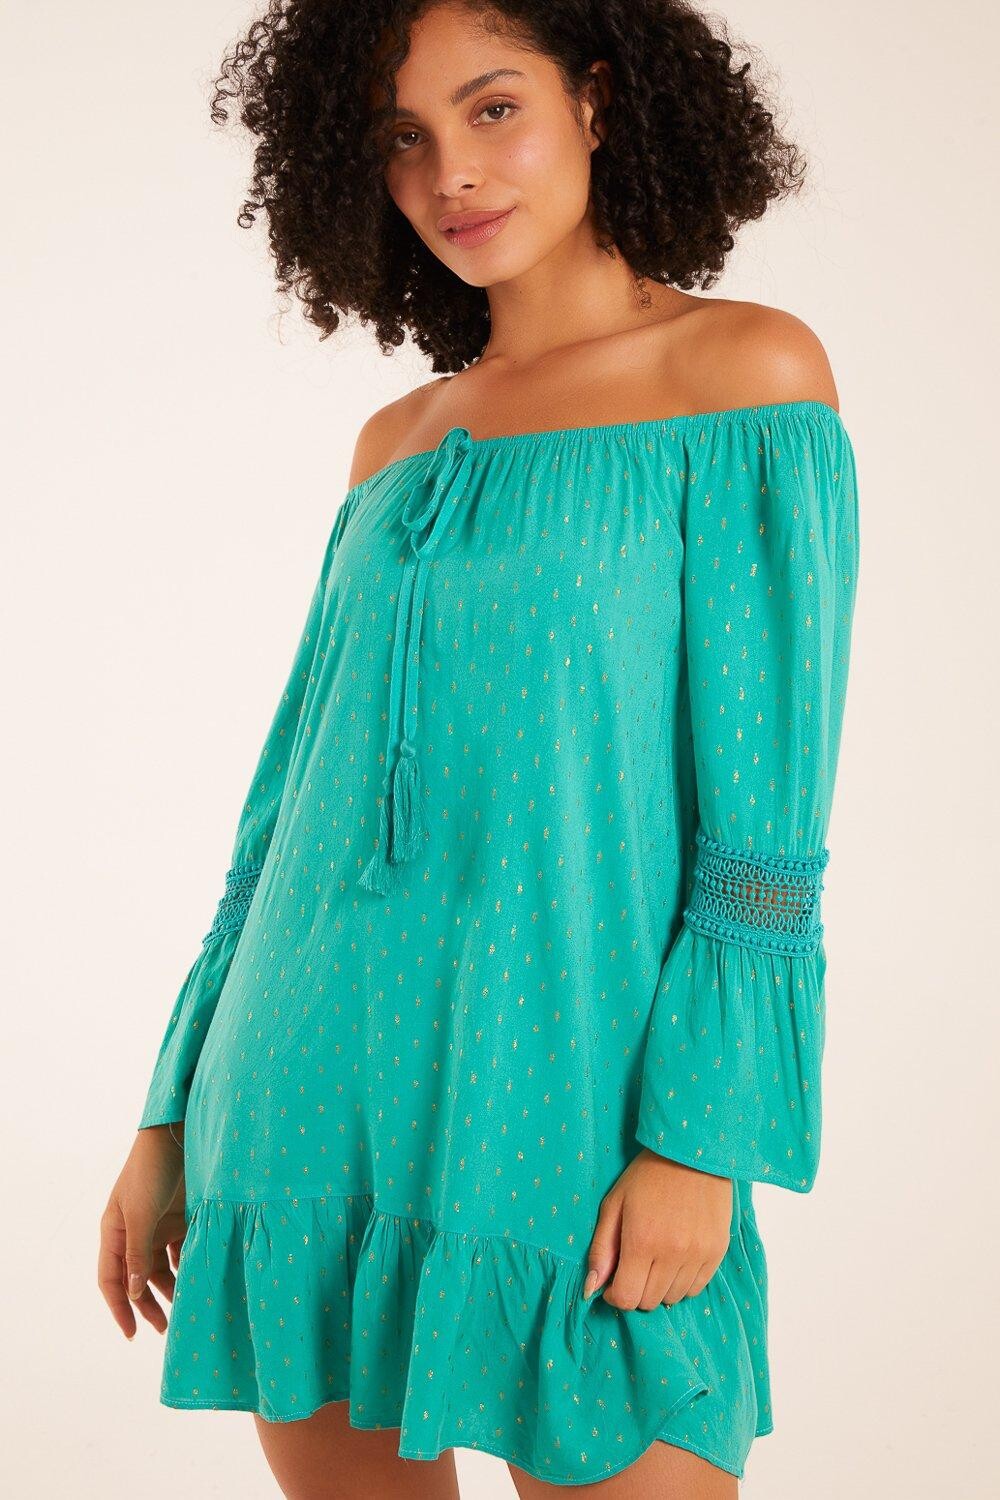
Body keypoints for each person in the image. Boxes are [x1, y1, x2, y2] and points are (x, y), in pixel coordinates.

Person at [98, 3, 861, 1496]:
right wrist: (172, 1104)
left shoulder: (744, 378)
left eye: (493, 108)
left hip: (574, 1094)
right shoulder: (395, 444)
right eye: (403, 137)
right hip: (304, 1089)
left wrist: (703, 1139)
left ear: (599, 101)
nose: (449, 171)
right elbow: (287, 810)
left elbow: (766, 824)